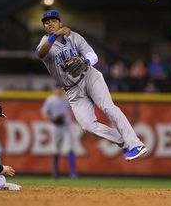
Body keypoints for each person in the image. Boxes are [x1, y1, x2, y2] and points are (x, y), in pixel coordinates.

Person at [36, 9, 147, 161]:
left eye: (53, 21)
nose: (50, 24)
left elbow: (93, 55)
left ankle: (136, 144)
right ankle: (124, 141)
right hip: (72, 90)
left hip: (89, 76)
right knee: (87, 126)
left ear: (60, 23)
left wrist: (85, 62)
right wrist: (55, 35)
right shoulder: (45, 43)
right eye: (47, 23)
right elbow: (41, 54)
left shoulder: (73, 37)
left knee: (109, 107)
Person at [41, 85, 77, 179]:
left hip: (67, 125)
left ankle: (73, 172)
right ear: (55, 88)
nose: (59, 90)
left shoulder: (68, 98)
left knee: (70, 148)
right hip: (56, 127)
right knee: (55, 149)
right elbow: (44, 114)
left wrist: (71, 116)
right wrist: (52, 120)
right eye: (57, 88)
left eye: (60, 88)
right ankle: (55, 171)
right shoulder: (50, 99)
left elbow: (73, 111)